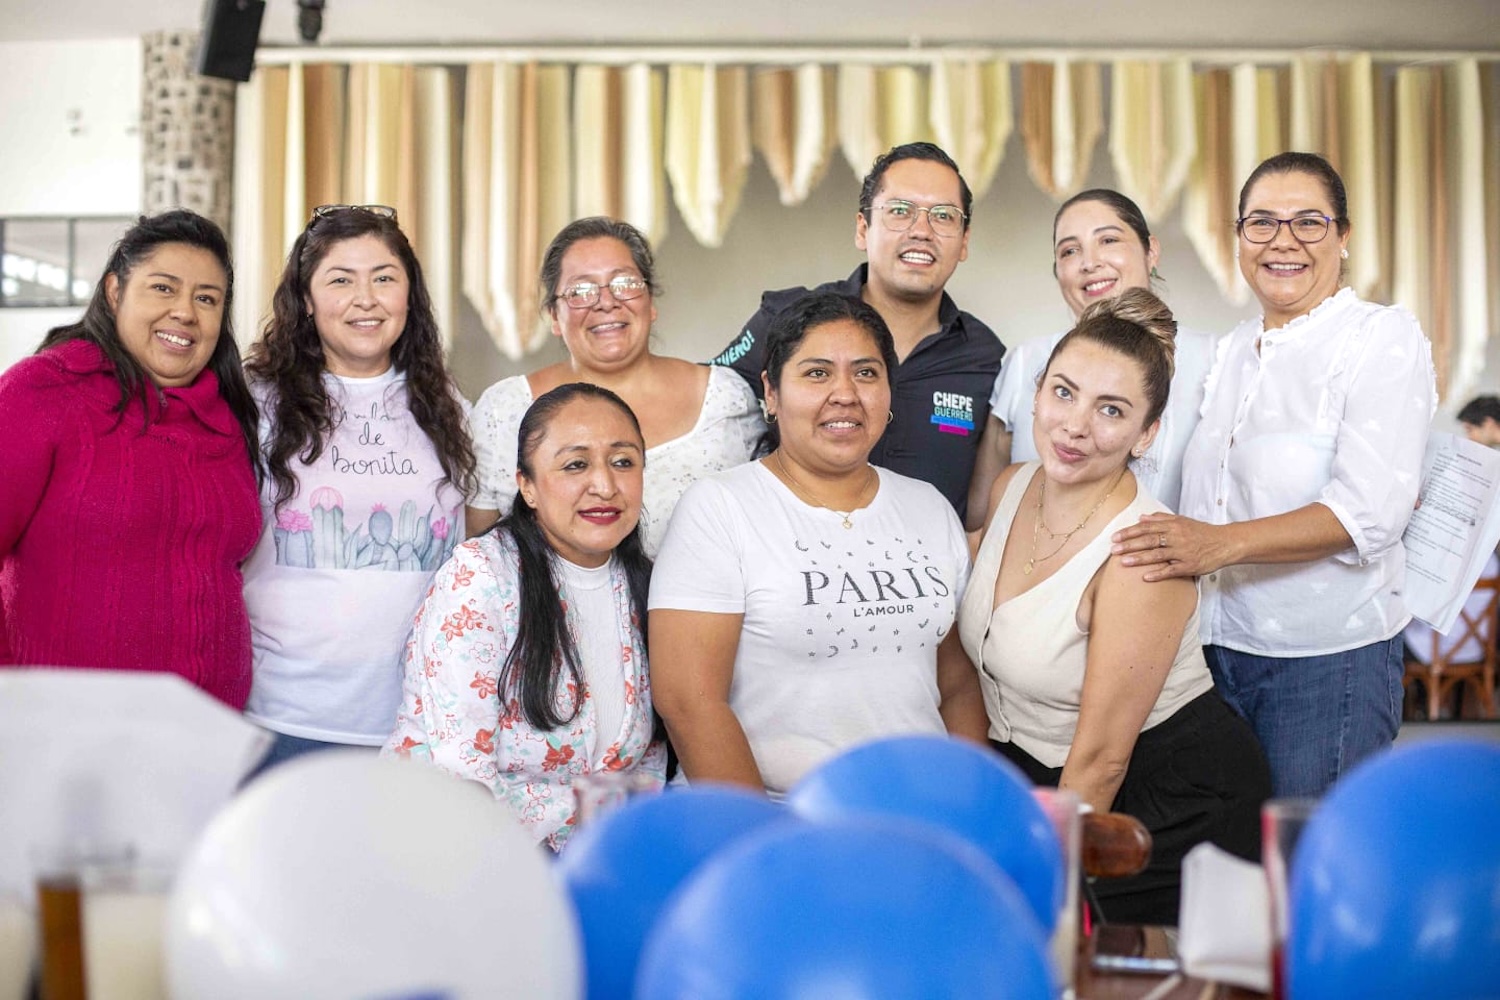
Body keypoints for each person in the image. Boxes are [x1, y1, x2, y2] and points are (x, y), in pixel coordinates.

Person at [1112, 152, 1437, 797]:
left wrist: (1217, 544)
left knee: (1302, 847)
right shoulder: (1231, 351)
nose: (1283, 240)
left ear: (1343, 237)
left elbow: (1369, 513)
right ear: (1239, 238)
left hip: (1325, 663)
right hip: (1211, 654)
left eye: (1308, 222)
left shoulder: (1379, 337)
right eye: (1261, 222)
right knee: (1229, 848)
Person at [958, 288, 1270, 925]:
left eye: (1111, 410)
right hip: (1038, 775)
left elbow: (1102, 761)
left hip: (1162, 798)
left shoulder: (1140, 557)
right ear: (1037, 393)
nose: (1075, 426)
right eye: (1064, 393)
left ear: (1146, 433)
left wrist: (1041, 885)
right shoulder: (1011, 486)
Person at [651, 291, 989, 797]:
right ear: (771, 393)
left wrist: (965, 802)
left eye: (866, 373)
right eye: (816, 373)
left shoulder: (929, 508)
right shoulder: (719, 508)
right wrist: (769, 833)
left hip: (917, 813)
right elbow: (688, 701)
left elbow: (957, 684)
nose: (845, 394)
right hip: (774, 814)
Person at [240, 204, 476, 774]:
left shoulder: (450, 408)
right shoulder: (256, 403)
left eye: (384, 278)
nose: (365, 299)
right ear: (306, 299)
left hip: (424, 721)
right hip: (285, 718)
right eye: (341, 280)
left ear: (409, 296)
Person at [386, 383, 665, 849]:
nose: (605, 485)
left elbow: (648, 763)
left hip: (601, 858)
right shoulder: (481, 577)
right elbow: (461, 771)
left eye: (623, 462)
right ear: (527, 486)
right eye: (575, 465)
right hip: (465, 851)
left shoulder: (650, 585)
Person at [0, 210, 262, 706]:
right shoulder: (43, 392)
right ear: (115, 291)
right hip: (64, 728)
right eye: (163, 288)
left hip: (214, 730)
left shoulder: (230, 417)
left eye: (206, 298)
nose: (185, 312)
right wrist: (15, 695)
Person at [711, 142, 1005, 523]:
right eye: (899, 211)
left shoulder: (984, 358)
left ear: (964, 241)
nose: (921, 231)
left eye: (944, 216)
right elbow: (704, 405)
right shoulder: (786, 319)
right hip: (786, 551)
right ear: (863, 229)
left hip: (926, 558)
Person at [467, 217, 763, 556]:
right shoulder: (504, 409)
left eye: (624, 283)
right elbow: (479, 547)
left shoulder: (724, 396)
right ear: (554, 316)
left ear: (650, 302)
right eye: (581, 291)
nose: (606, 302)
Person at [966, 188, 1215, 527]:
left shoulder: (1214, 360)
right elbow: (982, 519)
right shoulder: (1026, 361)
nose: (1089, 263)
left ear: (1151, 251)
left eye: (1108, 240)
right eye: (1070, 251)